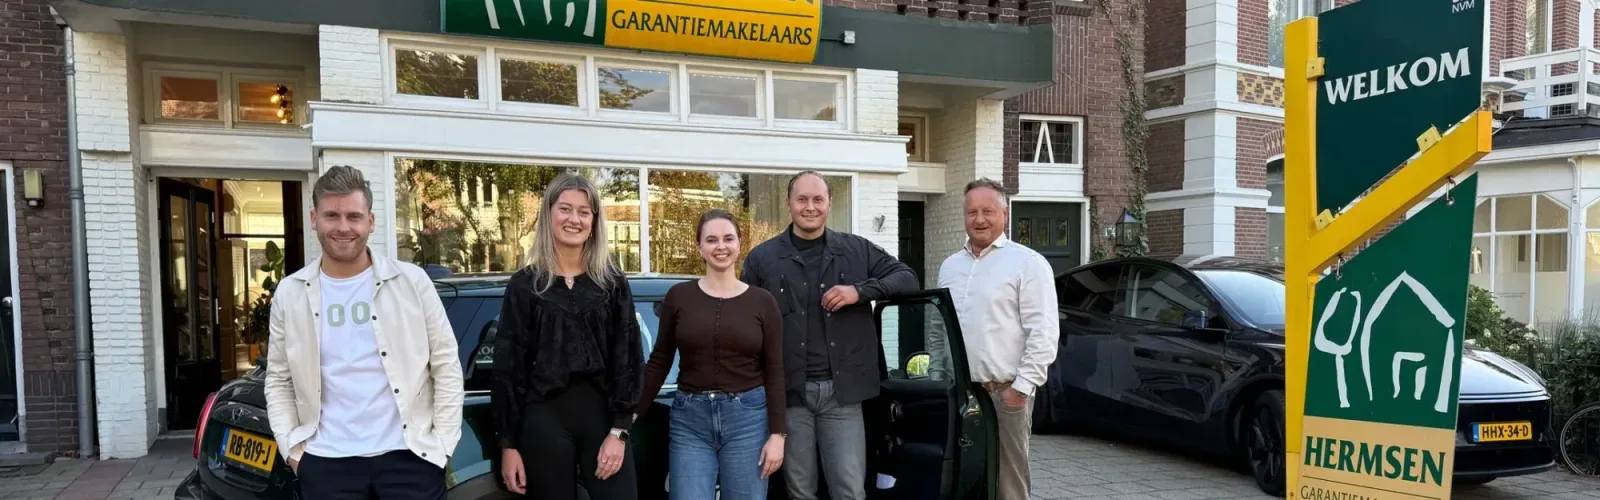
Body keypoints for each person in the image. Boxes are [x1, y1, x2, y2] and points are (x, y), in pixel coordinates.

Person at [263, 165, 465, 499]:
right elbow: (279, 379)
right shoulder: (290, 293)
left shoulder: (412, 283)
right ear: (314, 219)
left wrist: (441, 446)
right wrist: (293, 451)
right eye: (332, 215)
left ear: (370, 222)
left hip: (410, 459)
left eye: (354, 216)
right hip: (326, 463)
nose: (343, 227)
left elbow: (445, 364)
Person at [741, 170, 920, 500]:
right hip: (789, 396)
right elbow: (745, 326)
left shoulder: (856, 250)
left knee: (850, 490)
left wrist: (860, 291)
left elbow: (908, 279)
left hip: (843, 395)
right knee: (799, 491)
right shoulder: (762, 259)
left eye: (818, 199)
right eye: (802, 199)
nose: (810, 207)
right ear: (789, 204)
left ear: (829, 203)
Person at [492, 173, 643, 500]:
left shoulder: (612, 284)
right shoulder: (525, 285)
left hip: (603, 422)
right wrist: (509, 445)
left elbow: (629, 359)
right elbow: (508, 368)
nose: (574, 219)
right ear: (549, 214)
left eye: (584, 212)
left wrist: (619, 431)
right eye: (565, 209)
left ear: (594, 221)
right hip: (543, 420)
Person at [634, 209, 787, 500]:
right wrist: (631, 413)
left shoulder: (763, 302)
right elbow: (660, 360)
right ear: (699, 247)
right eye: (712, 239)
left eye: (728, 238)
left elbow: (775, 370)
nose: (721, 246)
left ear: (740, 244)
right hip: (690, 420)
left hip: (748, 421)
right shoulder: (678, 297)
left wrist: (778, 435)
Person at [936, 178, 1060, 500]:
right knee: (963, 478)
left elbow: (1044, 332)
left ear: (1005, 214)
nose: (979, 219)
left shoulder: (1028, 264)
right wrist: (938, 377)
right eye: (972, 212)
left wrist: (1020, 390)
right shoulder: (950, 266)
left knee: (1008, 483)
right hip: (961, 395)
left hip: (1004, 394)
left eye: (988, 211)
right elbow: (938, 329)